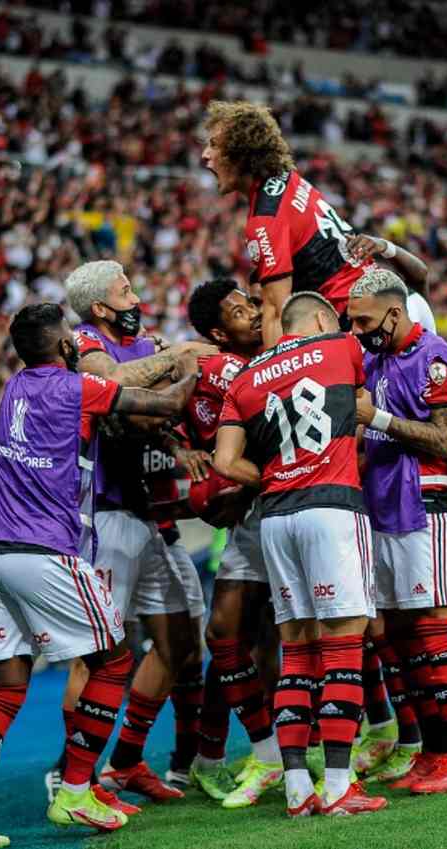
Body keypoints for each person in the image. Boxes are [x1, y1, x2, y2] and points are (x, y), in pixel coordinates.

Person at [0, 303, 194, 848]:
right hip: (44, 552)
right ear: (64, 347)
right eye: (72, 340)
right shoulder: (76, 389)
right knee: (114, 658)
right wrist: (188, 362)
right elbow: (167, 403)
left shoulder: (12, 390)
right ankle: (76, 790)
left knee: (6, 686)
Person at [214, 291, 387, 817]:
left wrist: (271, 476)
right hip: (332, 508)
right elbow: (361, 406)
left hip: (275, 516)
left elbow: (224, 461)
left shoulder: (243, 378)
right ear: (319, 320)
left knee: (297, 652)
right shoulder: (339, 346)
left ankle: (296, 789)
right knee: (342, 644)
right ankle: (338, 786)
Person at [49, 260, 212, 803]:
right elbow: (113, 385)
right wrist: (177, 357)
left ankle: (124, 761)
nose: (136, 295)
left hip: (150, 516)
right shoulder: (85, 341)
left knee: (180, 643)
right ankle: (71, 774)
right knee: (97, 654)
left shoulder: (143, 343)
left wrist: (177, 444)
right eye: (125, 289)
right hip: (107, 518)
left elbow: (151, 415)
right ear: (100, 306)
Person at [348, 267, 447, 794]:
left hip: (427, 508)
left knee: (432, 627)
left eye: (364, 321)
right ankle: (432, 752)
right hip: (384, 509)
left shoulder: (436, 358)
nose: (357, 330)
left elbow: (445, 441)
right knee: (401, 636)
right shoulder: (376, 359)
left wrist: (376, 418)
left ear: (395, 312)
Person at [181, 277, 285, 807]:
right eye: (237, 310)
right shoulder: (220, 371)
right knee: (224, 636)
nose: (249, 310)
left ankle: (367, 739)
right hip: (257, 512)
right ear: (221, 332)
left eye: (249, 302)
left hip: (294, 504)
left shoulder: (286, 347)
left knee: (289, 641)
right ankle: (263, 753)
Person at [201, 100, 367, 346]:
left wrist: (273, 377)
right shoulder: (288, 178)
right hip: (376, 299)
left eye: (214, 145)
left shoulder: (265, 220)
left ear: (240, 153)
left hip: (357, 322)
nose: (205, 154)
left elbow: (278, 313)